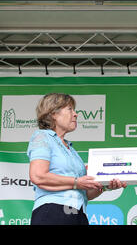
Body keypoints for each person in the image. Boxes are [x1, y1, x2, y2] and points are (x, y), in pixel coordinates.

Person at [27, 93, 127, 225]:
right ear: (53, 114)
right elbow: (38, 176)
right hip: (52, 211)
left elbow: (85, 193)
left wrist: (105, 186)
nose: (76, 114)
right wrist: (76, 182)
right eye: (70, 109)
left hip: (78, 213)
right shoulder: (42, 137)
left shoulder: (71, 150)